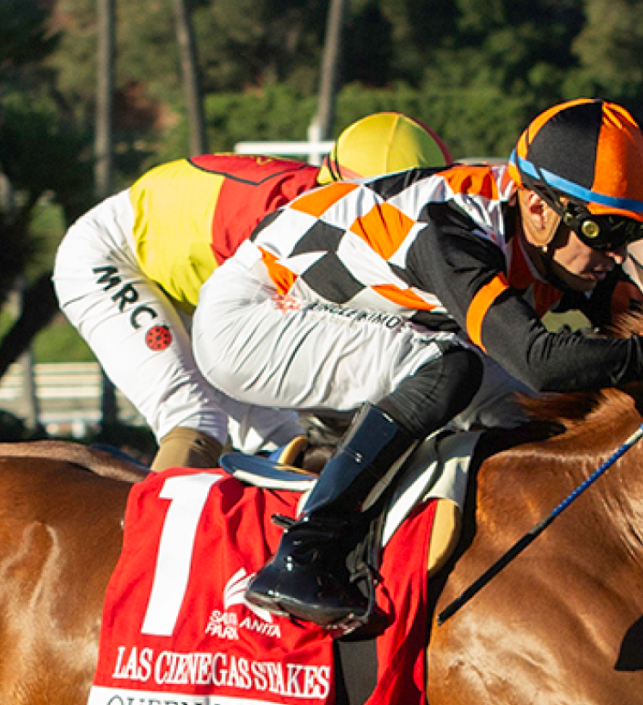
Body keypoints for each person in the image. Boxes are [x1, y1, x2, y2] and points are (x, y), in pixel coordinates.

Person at [191, 98, 643, 629]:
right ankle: (305, 550)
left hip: (334, 309)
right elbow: (542, 360)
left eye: (633, 231)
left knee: (526, 407)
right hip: (252, 318)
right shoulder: (453, 235)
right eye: (605, 229)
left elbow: (641, 321)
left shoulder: (548, 235)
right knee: (453, 368)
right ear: (539, 208)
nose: (617, 253)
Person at [52, 112, 452, 472]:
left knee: (285, 439)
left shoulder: (329, 209)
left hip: (202, 278)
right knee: (195, 419)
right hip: (113, 256)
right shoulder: (289, 226)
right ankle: (152, 544)